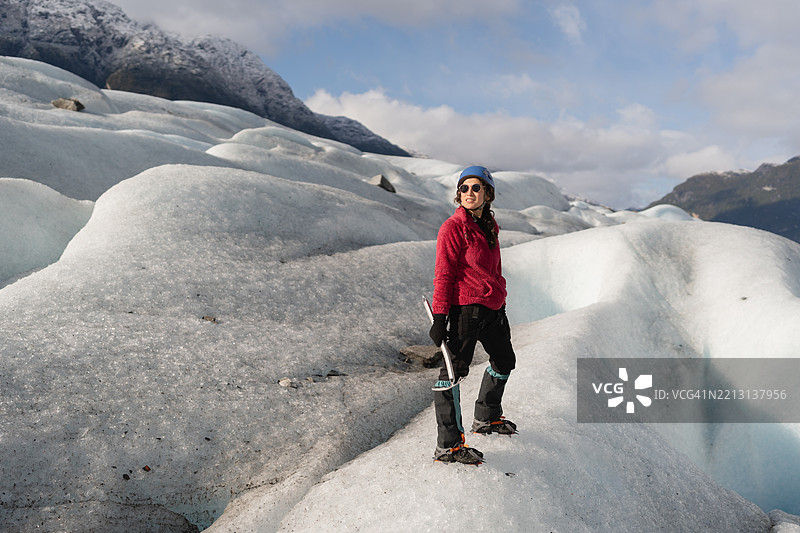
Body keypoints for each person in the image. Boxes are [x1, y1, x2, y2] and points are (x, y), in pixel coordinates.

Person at [429, 165, 517, 465]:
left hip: (493, 308)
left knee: (505, 361)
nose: (469, 193)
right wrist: (440, 317)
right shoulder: (452, 228)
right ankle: (448, 446)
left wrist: (500, 292)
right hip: (466, 308)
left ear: (487, 193)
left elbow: (493, 269)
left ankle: (486, 417)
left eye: (475, 188)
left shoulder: (488, 226)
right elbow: (443, 275)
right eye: (464, 188)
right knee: (453, 373)